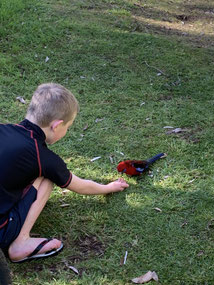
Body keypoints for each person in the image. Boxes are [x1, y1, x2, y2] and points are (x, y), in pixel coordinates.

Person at [0, 83, 129, 263]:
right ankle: (20, 242)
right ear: (57, 125)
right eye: (68, 126)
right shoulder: (42, 157)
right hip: (2, 230)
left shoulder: (3, 129)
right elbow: (80, 186)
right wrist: (109, 187)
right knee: (46, 178)